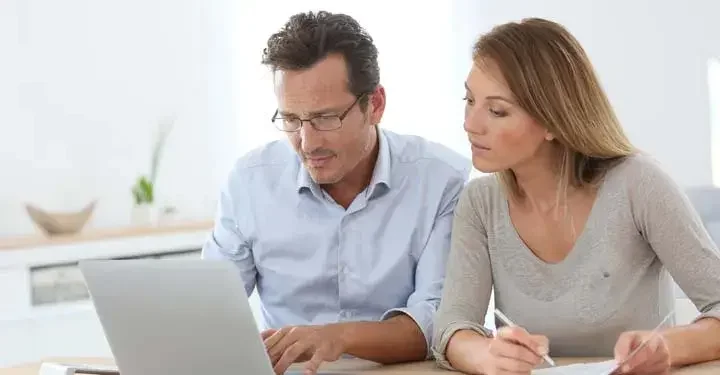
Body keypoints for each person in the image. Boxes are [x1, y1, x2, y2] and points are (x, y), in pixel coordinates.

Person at [431, 17, 720, 375]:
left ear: (553, 120)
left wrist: (669, 347)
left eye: (497, 110)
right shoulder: (479, 203)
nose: (470, 124)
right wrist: (484, 354)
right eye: (469, 100)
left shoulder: (638, 184)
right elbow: (451, 327)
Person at [201, 10, 470, 375]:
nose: (307, 143)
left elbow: (436, 322)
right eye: (292, 120)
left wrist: (337, 337)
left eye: (326, 118)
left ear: (374, 105)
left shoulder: (442, 180)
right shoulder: (249, 182)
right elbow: (208, 311)